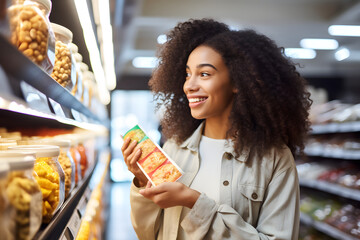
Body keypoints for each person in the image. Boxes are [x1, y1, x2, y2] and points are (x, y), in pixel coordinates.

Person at [121, 18, 312, 240]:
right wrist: (143, 181)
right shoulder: (174, 148)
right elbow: (148, 234)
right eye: (187, 74)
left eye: (204, 74)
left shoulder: (274, 159)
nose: (189, 86)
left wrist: (193, 201)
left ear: (238, 82)